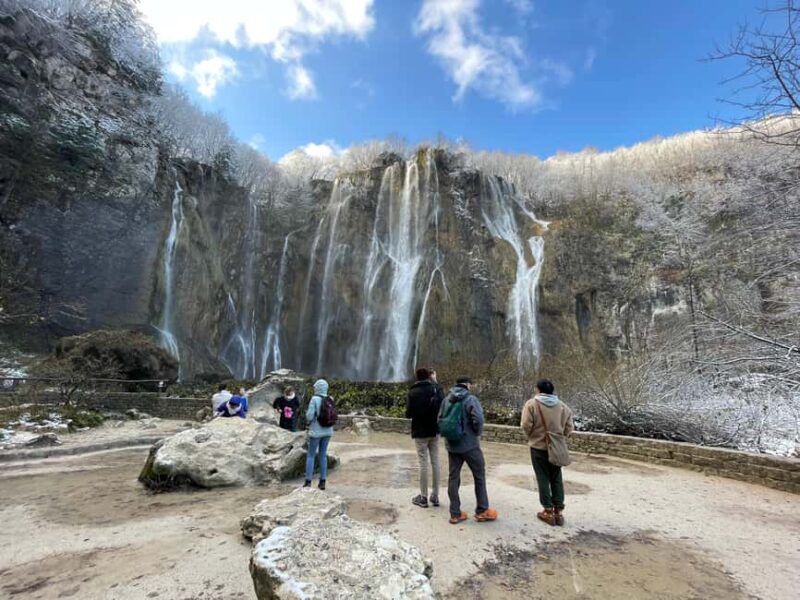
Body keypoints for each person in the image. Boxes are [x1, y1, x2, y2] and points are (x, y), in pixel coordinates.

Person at [438, 376, 498, 524]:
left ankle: (455, 513)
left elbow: (439, 419)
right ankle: (482, 510)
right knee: (479, 476)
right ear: (468, 385)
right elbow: (478, 419)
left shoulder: (446, 400)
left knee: (453, 478)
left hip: (452, 445)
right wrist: (475, 433)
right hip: (470, 445)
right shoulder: (471, 399)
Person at [521, 378, 574, 526]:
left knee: (542, 477)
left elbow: (526, 424)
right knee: (556, 476)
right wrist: (559, 437)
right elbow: (569, 427)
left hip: (538, 447)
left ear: (538, 389)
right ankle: (559, 510)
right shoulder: (563, 407)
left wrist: (532, 436)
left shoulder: (532, 404)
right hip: (557, 447)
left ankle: (548, 510)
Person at [406, 366, 445, 508]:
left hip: (420, 432)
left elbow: (408, 414)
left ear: (417, 377)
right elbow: (444, 401)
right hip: (434, 431)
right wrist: (436, 382)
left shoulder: (413, 392)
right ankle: (435, 496)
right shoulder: (434, 389)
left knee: (423, 463)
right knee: (435, 461)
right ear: (429, 376)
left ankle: (423, 497)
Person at [304, 379, 333, 490]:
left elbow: (309, 416)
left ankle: (308, 482)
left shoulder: (314, 399)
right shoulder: (330, 399)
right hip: (328, 431)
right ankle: (323, 481)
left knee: (311, 455)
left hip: (316, 432)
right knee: (323, 455)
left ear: (317, 388)